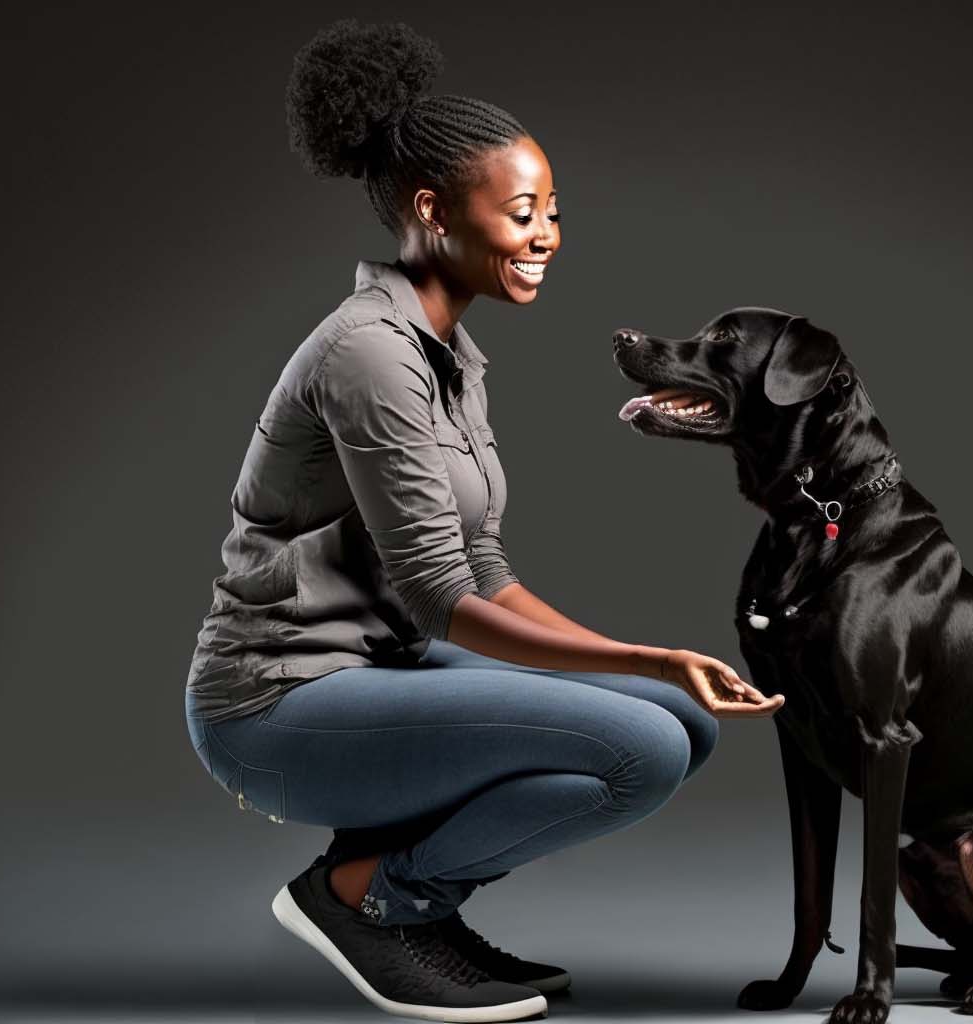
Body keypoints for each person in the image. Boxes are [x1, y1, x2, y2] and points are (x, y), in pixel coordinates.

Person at [182, 19, 784, 1022]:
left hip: (384, 669)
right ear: (432, 210)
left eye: (554, 210)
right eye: (523, 211)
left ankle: (389, 887)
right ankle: (376, 898)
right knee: (647, 747)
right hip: (277, 703)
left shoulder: (447, 353)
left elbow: (486, 569)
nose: (548, 232)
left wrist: (655, 662)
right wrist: (635, 657)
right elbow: (441, 596)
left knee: (681, 718)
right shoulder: (369, 354)